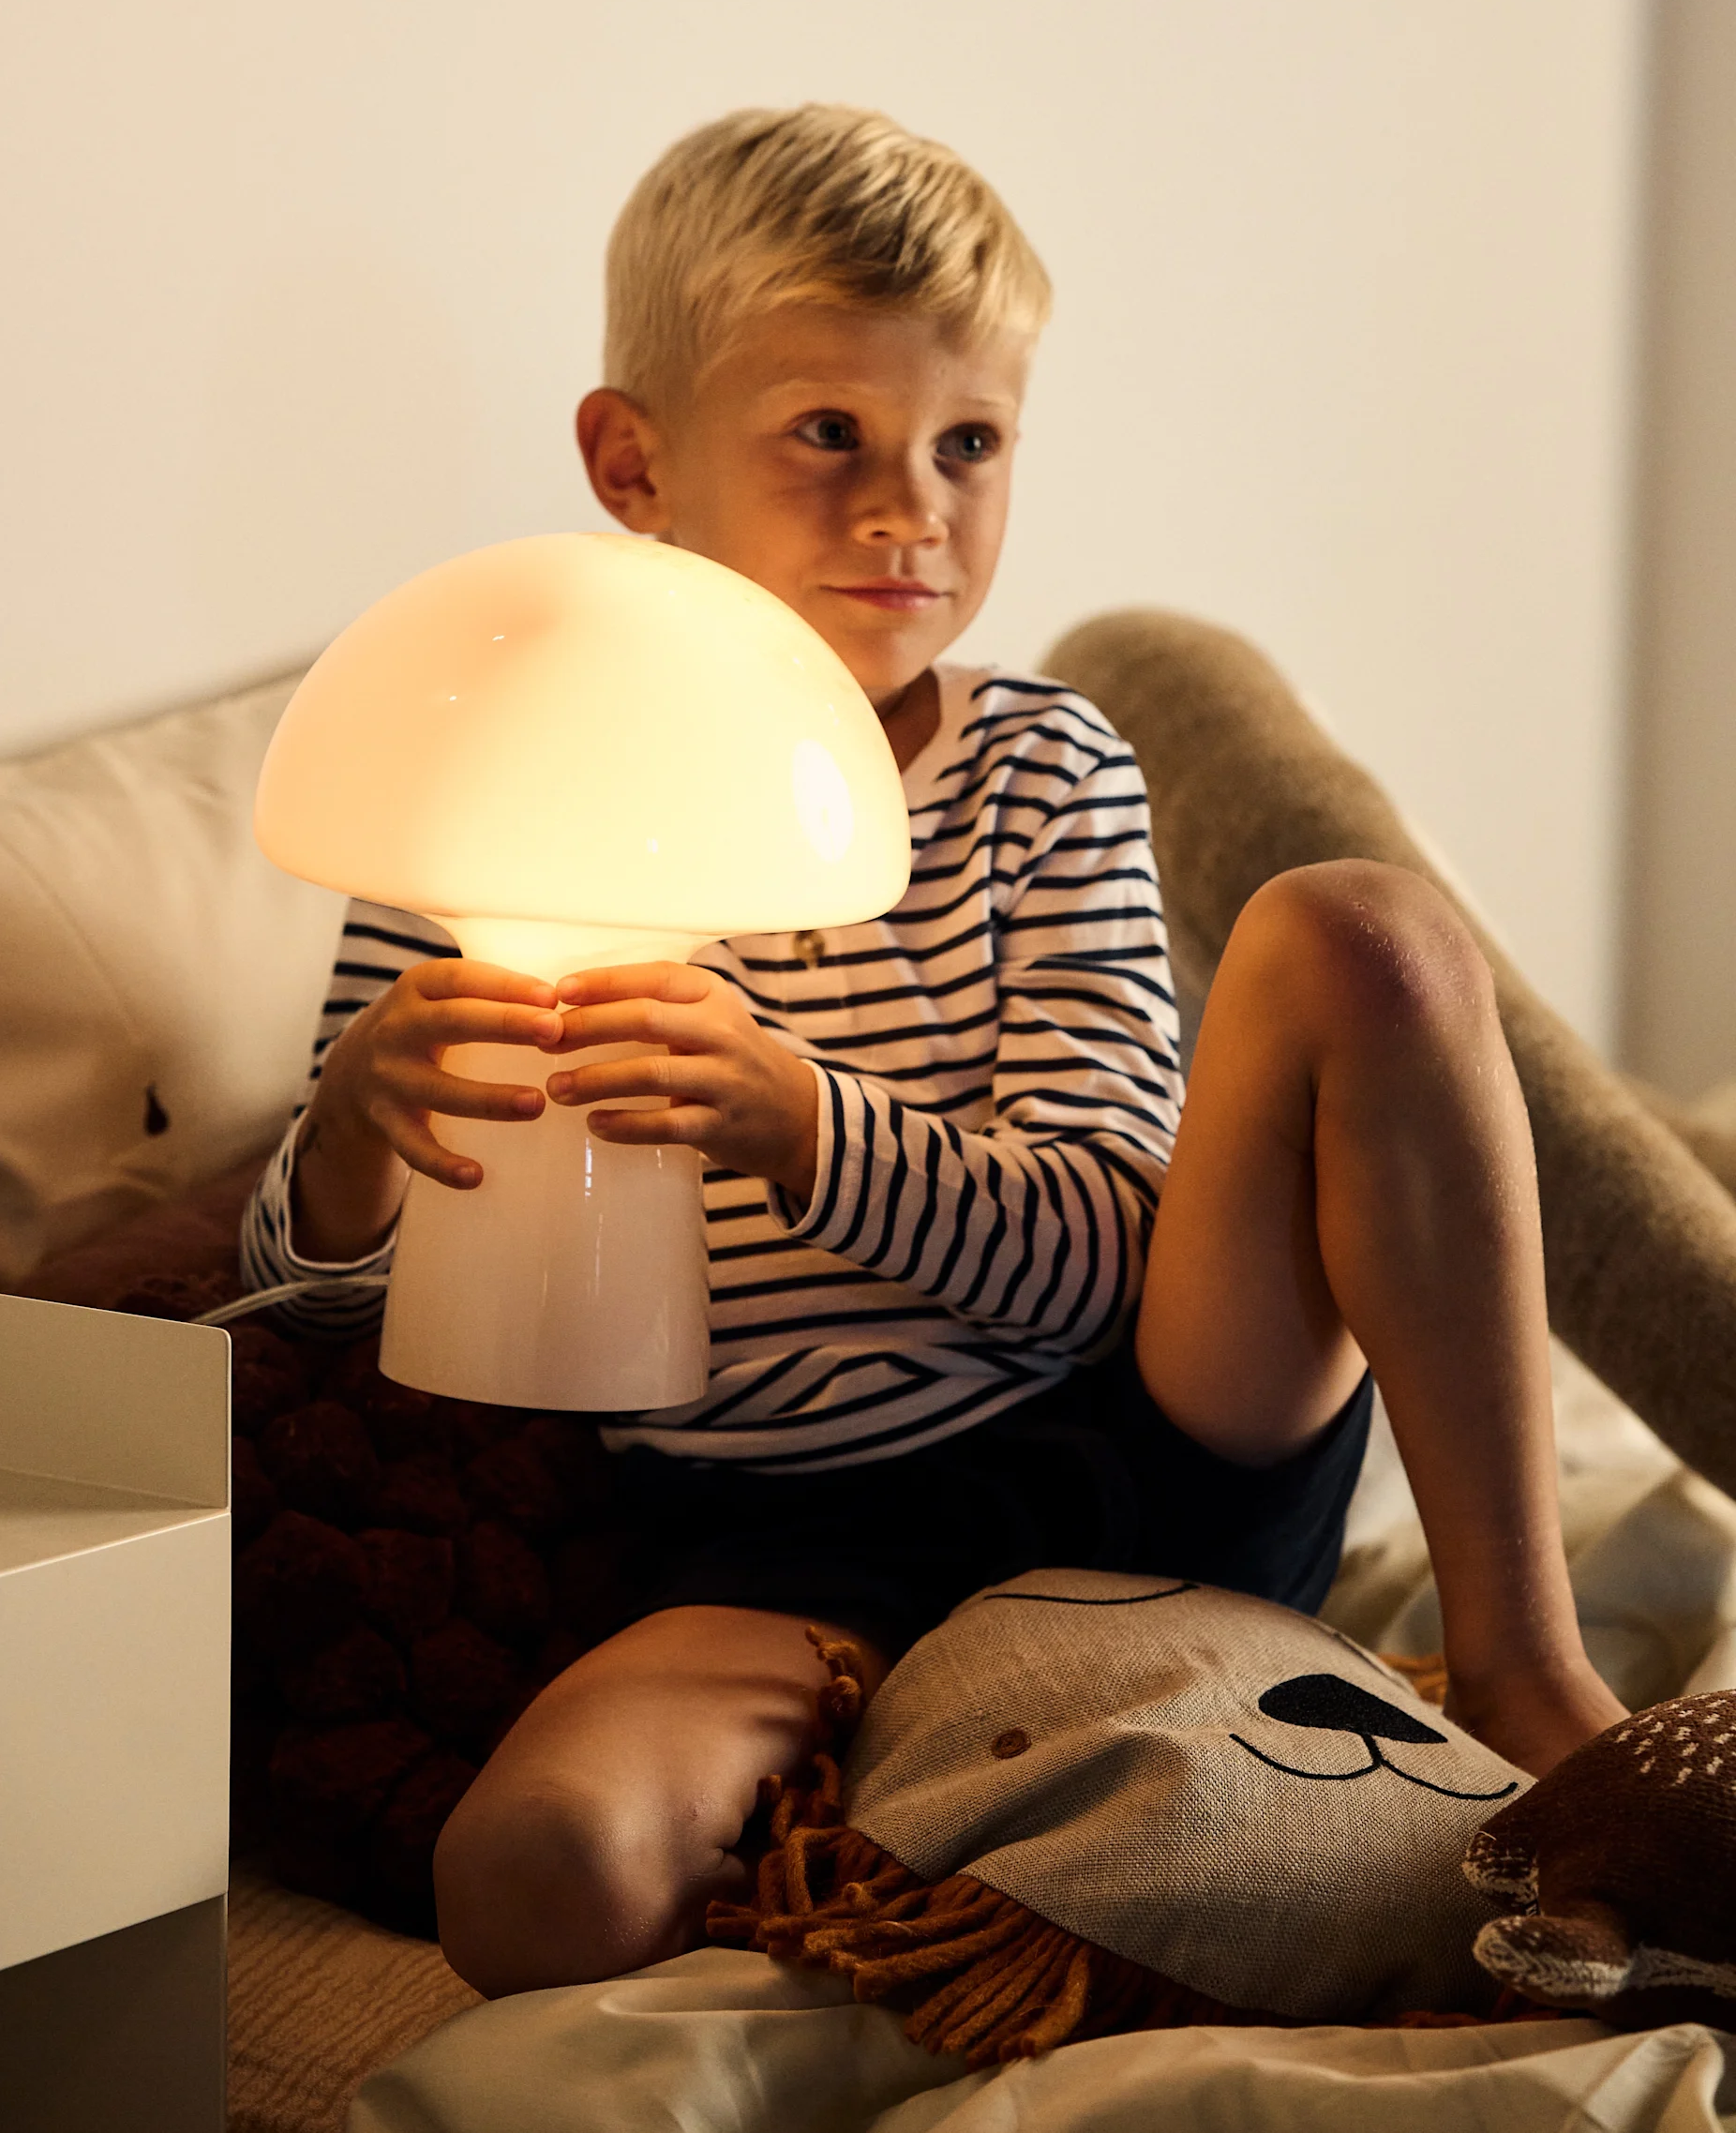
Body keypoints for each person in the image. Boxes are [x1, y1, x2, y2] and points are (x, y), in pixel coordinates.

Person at [241, 104, 1624, 1999]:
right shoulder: (500, 791)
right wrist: (352, 1128)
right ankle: (897, 1801)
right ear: (632, 462)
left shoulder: (1043, 769)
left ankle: (1527, 1664)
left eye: (969, 444)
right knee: (533, 1875)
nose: (914, 508)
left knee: (1360, 933)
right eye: (831, 436)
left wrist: (800, 1121)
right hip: (767, 1541)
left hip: (1154, 1440)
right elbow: (319, 1325)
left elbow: (1091, 1258)